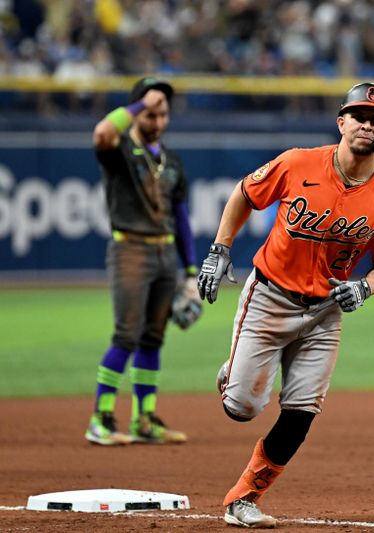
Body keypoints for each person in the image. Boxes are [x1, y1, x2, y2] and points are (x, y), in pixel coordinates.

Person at [197, 82, 374, 528]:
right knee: (241, 409)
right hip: (269, 297)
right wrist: (220, 249)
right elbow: (243, 193)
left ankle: (244, 498)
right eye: (359, 116)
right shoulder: (298, 162)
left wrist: (365, 288)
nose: (366, 125)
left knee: (302, 410)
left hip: (325, 312)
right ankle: (236, 373)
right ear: (341, 122)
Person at [84, 77, 199, 446]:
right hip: (130, 249)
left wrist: (192, 272)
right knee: (127, 334)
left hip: (166, 253)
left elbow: (181, 218)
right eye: (151, 113)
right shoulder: (117, 148)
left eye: (164, 113)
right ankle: (100, 419)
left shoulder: (171, 159)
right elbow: (102, 131)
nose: (159, 121)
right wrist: (137, 106)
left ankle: (143, 419)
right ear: (135, 113)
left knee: (152, 338)